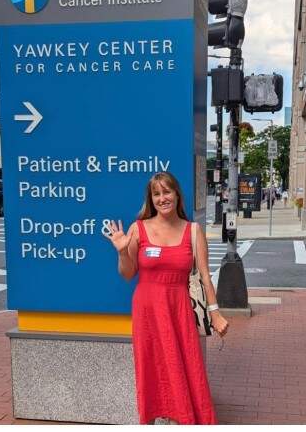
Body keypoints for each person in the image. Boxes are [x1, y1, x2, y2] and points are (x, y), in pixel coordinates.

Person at [102, 172, 228, 424]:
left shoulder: (193, 231)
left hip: (178, 307)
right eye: (156, 194)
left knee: (183, 364)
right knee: (151, 367)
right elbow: (128, 274)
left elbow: (204, 275)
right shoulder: (138, 229)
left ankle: (183, 417)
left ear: (177, 194)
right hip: (147, 310)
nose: (162, 198)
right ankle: (152, 418)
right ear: (151, 199)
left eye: (167, 192)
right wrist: (122, 252)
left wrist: (215, 313)